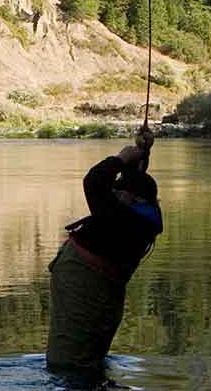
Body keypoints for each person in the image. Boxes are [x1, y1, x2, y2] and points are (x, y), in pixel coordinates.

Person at [47, 127, 161, 376]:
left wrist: (120, 159)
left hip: (85, 288)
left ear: (130, 199)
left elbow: (94, 182)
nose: (114, 193)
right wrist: (141, 152)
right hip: (98, 291)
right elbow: (137, 184)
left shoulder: (121, 219)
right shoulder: (141, 216)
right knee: (87, 359)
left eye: (118, 192)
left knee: (68, 362)